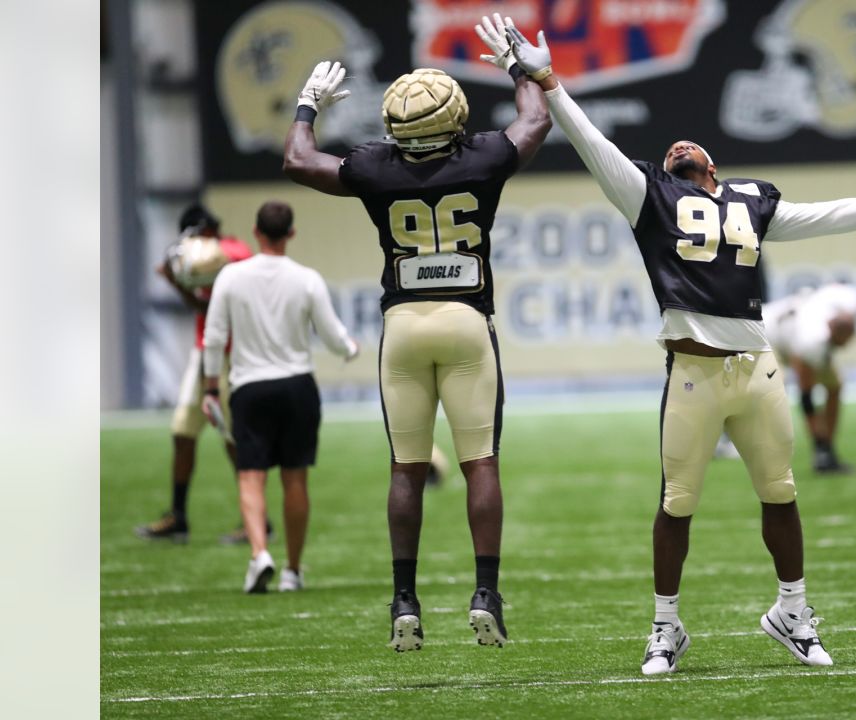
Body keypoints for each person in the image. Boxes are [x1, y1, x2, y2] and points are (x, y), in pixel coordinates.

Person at [505, 24, 856, 674]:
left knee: (781, 492)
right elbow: (593, 143)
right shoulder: (649, 194)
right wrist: (548, 81)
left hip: (757, 369)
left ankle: (792, 612)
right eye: (672, 149)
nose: (679, 146)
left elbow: (828, 214)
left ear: (712, 168)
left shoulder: (750, 198)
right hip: (693, 373)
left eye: (691, 148)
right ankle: (665, 628)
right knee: (676, 503)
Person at [281, 13, 550, 649]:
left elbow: (297, 160)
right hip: (465, 320)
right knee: (480, 459)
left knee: (406, 468)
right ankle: (485, 590)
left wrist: (306, 104)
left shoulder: (376, 167)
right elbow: (536, 119)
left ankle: (405, 599)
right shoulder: (481, 158)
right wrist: (518, 63)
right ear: (453, 120)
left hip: (403, 324)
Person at [202, 201, 358, 592]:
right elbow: (332, 333)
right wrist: (349, 350)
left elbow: (215, 337)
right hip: (296, 387)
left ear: (255, 231)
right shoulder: (306, 279)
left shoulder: (231, 277)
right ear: (291, 234)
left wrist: (209, 389)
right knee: (295, 480)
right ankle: (291, 569)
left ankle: (259, 554)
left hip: (249, 388)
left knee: (250, 476)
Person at [135, 204, 258, 544]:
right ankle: (178, 516)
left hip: (233, 355)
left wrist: (181, 279)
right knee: (182, 432)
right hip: (204, 352)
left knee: (232, 439)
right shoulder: (207, 255)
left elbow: (221, 303)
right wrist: (179, 282)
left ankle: (257, 519)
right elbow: (200, 307)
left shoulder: (234, 251)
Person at [763, 283, 856, 474]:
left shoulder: (850, 301)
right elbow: (806, 396)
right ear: (836, 334)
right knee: (771, 391)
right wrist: (819, 443)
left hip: (791, 332)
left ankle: (828, 448)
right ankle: (821, 452)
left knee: (835, 386)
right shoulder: (812, 341)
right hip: (768, 336)